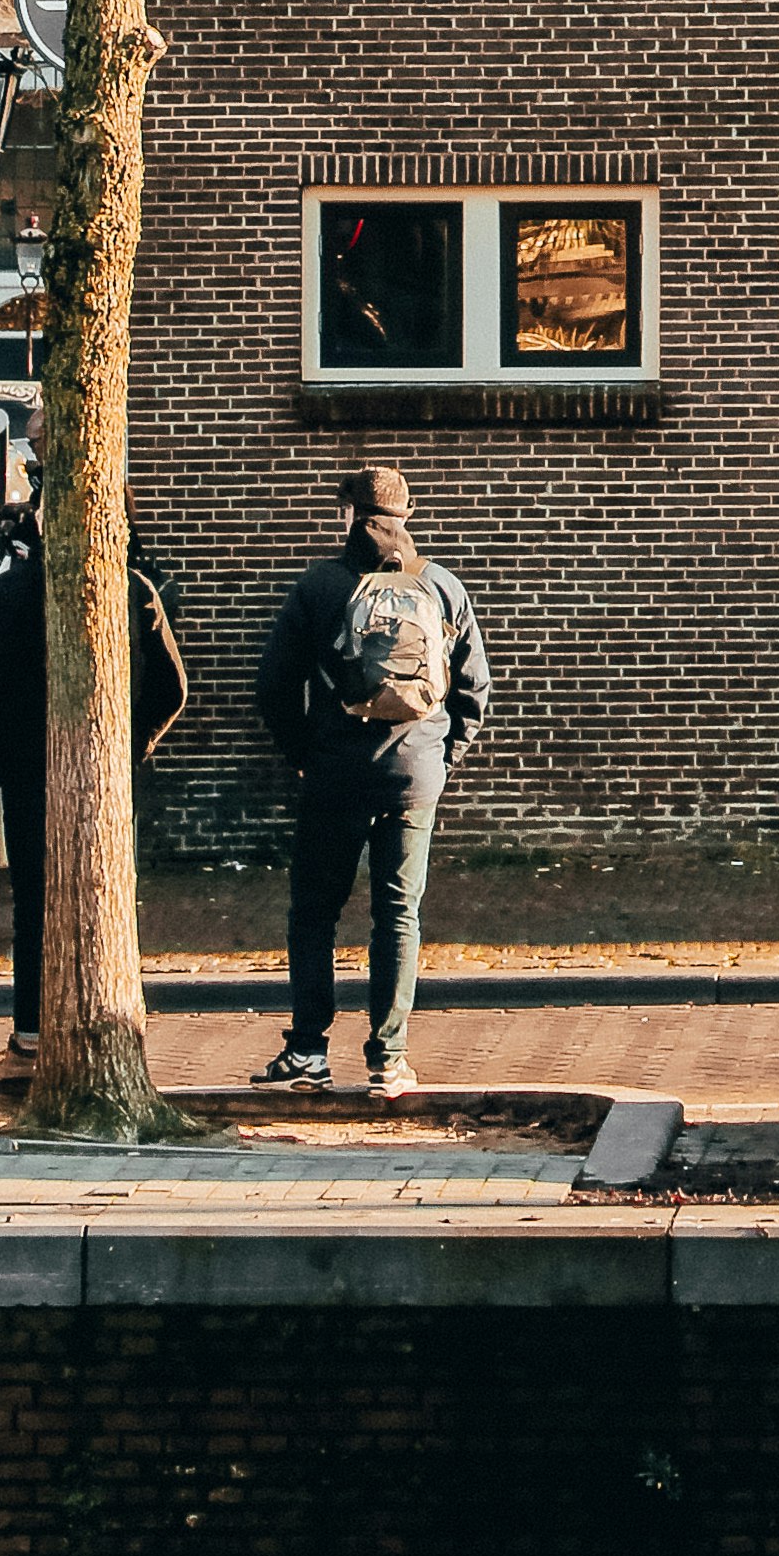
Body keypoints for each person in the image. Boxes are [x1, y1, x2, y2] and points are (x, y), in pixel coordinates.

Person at [254, 464, 489, 1099]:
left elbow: (273, 686)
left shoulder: (321, 586)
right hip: (414, 776)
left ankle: (307, 1052)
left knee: (314, 913)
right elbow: (473, 690)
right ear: (406, 517)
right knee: (397, 914)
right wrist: (441, 761)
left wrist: (305, 753)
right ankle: (389, 1059)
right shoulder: (442, 587)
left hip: (335, 772)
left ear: (348, 515)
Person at [0, 509, 189, 1075]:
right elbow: (171, 686)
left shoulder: (8, 594)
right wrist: (132, 749)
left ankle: (31, 1038)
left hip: (25, 774)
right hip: (102, 774)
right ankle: (107, 1026)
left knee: (32, 904)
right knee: (103, 896)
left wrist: (0, 756)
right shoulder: (131, 590)